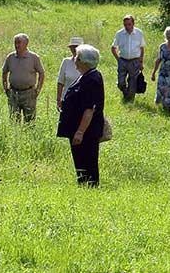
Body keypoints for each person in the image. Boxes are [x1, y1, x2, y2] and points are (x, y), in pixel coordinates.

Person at [57, 44, 105, 186]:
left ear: (84, 62)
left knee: (87, 162)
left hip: (86, 132)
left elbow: (89, 109)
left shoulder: (92, 79)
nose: (74, 60)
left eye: (77, 58)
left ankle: (90, 189)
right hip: (80, 129)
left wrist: (80, 131)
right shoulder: (85, 76)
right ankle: (84, 187)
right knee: (81, 162)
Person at [1, 33, 45, 121]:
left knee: (29, 121)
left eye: (19, 43)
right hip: (13, 93)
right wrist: (6, 89)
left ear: (26, 44)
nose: (17, 45)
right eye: (15, 43)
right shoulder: (10, 57)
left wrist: (38, 89)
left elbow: (41, 73)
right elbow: (4, 72)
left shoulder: (34, 57)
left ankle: (28, 135)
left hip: (29, 93)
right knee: (14, 120)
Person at [111, 14, 146, 101]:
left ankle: (129, 101)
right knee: (120, 83)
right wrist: (118, 59)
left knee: (132, 82)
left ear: (133, 23)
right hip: (122, 60)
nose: (127, 26)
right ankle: (125, 92)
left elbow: (142, 48)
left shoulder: (139, 33)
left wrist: (141, 62)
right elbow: (113, 48)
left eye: (129, 24)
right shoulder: (119, 34)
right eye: (125, 24)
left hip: (135, 61)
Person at [56, 37, 83, 112]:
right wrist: (58, 99)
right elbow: (60, 82)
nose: (74, 49)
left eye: (76, 47)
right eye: (72, 47)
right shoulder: (66, 62)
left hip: (82, 100)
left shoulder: (87, 63)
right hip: (67, 98)